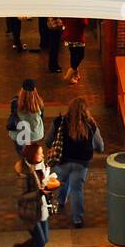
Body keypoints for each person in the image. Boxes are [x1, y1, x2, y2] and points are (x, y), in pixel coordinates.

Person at [49, 96, 104, 227]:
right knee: (76, 190)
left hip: (62, 161)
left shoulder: (59, 121)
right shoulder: (91, 125)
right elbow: (100, 146)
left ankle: (60, 201)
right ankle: (77, 220)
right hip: (81, 164)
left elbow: (48, 140)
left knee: (61, 181)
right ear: (86, 110)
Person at [13, 142, 55, 247]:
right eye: (40, 153)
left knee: (45, 238)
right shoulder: (24, 173)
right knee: (40, 240)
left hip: (41, 209)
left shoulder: (41, 166)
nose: (43, 155)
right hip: (31, 213)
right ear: (32, 155)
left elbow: (44, 182)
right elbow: (21, 197)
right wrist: (40, 193)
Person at [7, 78, 45, 153]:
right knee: (32, 154)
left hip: (19, 134)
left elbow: (13, 115)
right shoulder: (39, 102)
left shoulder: (15, 102)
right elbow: (41, 117)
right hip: (34, 135)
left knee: (22, 153)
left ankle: (24, 161)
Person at [60, 17, 90, 84]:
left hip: (69, 36)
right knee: (80, 56)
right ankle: (69, 74)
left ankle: (75, 76)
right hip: (77, 37)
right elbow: (84, 23)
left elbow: (63, 20)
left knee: (73, 55)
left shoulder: (69, 11)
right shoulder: (80, 13)